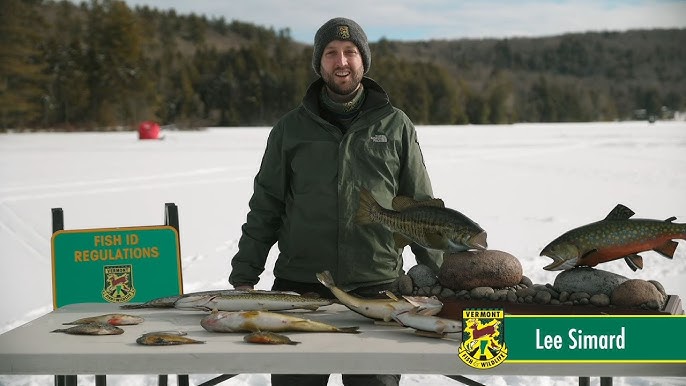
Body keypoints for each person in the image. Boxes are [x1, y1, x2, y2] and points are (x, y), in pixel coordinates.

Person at [229, 16, 442, 386]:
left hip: (378, 287)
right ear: (319, 62)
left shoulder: (395, 125)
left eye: (350, 52)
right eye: (331, 53)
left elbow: (421, 208)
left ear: (363, 60)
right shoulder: (290, 129)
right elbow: (266, 205)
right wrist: (245, 276)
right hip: (299, 288)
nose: (341, 61)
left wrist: (440, 278)